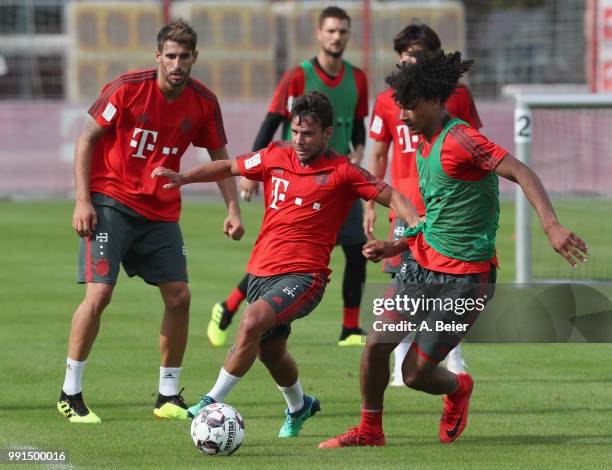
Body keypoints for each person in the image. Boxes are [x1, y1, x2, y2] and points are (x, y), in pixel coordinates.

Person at [319, 50, 588, 447]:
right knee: (376, 345)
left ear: (433, 101)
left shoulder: (461, 139)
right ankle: (370, 431)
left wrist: (551, 225)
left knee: (414, 375)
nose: (404, 117)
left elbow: (521, 170)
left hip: (465, 280)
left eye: (410, 108)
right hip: (421, 266)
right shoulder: (425, 144)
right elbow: (439, 215)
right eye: (401, 108)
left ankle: (458, 388)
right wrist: (398, 243)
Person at [151, 91, 421, 438]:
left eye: (308, 134)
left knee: (251, 321)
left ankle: (209, 403)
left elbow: (394, 196)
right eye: (295, 131)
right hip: (262, 271)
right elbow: (229, 166)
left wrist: (415, 228)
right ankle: (299, 405)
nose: (299, 141)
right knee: (270, 350)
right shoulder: (276, 155)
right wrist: (184, 177)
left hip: (305, 276)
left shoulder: (343, 171)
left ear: (327, 134)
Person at [56, 20, 244, 424]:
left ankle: (168, 396)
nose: (177, 64)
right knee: (99, 295)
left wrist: (233, 209)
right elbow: (87, 137)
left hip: (160, 212)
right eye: (170, 56)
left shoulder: (203, 102)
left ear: (195, 58)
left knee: (180, 298)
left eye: (184, 57)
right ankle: (70, 392)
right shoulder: (127, 88)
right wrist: (83, 200)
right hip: (110, 203)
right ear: (158, 56)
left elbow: (220, 158)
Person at [207, 6, 370, 348]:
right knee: (280, 254)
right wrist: (252, 173)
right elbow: (270, 122)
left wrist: (357, 150)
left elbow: (357, 126)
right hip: (294, 178)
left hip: (338, 181)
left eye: (342, 31)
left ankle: (350, 329)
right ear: (319, 33)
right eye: (331, 31)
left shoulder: (358, 79)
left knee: (356, 250)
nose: (337, 37)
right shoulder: (298, 76)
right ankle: (228, 306)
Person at [365, 23, 482, 384]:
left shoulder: (457, 96)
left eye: (418, 54)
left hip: (444, 200)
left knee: (449, 279)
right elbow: (379, 152)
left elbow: (476, 145)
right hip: (404, 201)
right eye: (406, 54)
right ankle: (401, 360)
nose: (411, 60)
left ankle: (453, 356)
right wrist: (371, 202)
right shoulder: (385, 101)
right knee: (402, 276)